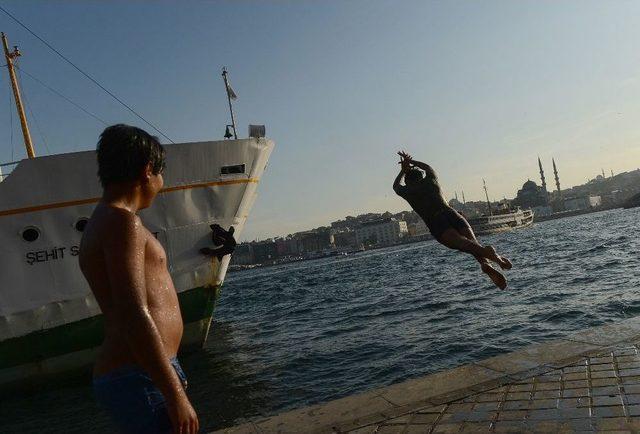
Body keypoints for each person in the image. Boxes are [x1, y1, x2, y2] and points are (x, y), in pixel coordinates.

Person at [79, 124, 199, 434]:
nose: (161, 184)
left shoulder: (105, 220)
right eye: (160, 174)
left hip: (142, 371)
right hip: (138, 374)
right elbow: (133, 310)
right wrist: (174, 395)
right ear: (147, 170)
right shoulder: (122, 222)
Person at [393, 151, 512, 289]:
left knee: (466, 244)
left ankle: (493, 257)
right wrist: (411, 162)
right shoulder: (431, 180)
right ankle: (486, 263)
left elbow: (396, 186)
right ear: (421, 175)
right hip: (452, 214)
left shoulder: (409, 192)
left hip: (437, 221)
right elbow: (428, 167)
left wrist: (403, 171)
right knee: (473, 243)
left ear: (408, 182)